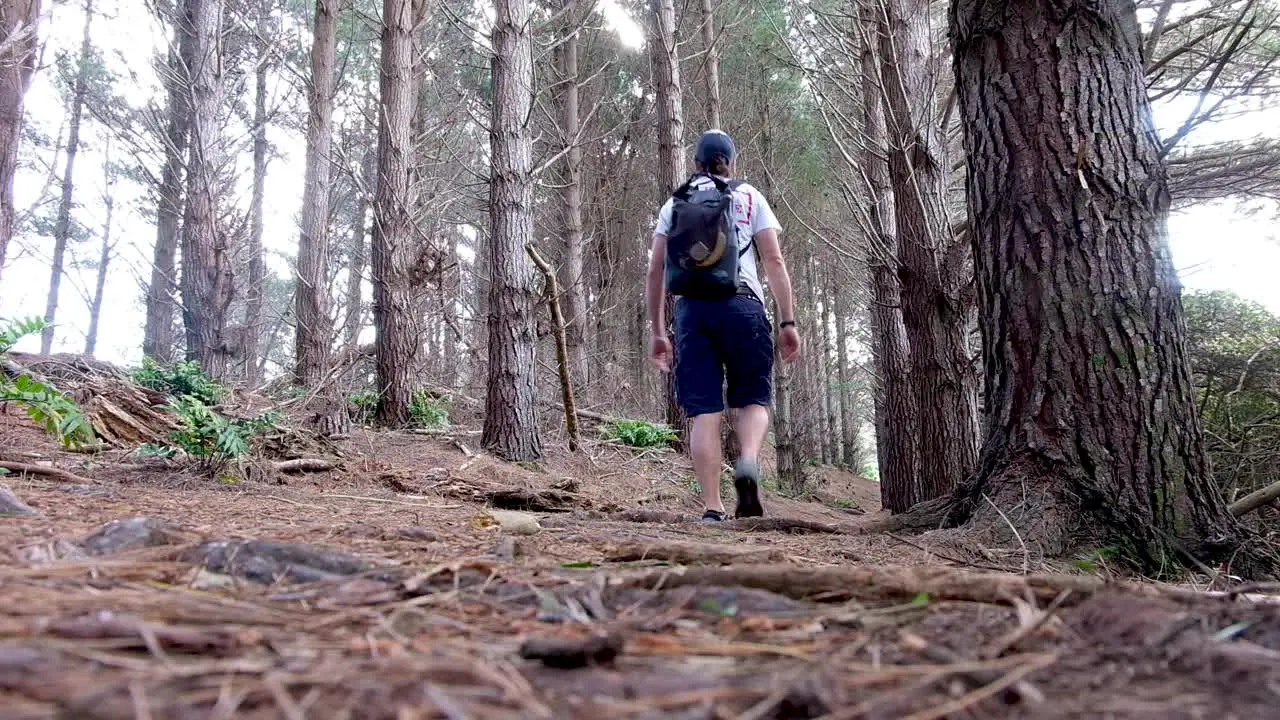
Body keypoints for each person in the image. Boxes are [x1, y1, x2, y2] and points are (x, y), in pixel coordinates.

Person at [646, 129, 801, 521]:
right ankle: (747, 460)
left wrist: (658, 332)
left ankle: (712, 507)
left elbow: (655, 270)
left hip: (693, 312)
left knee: (705, 412)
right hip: (743, 305)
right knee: (752, 399)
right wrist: (787, 321)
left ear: (696, 162)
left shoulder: (676, 202)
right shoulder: (750, 197)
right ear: (730, 160)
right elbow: (774, 262)